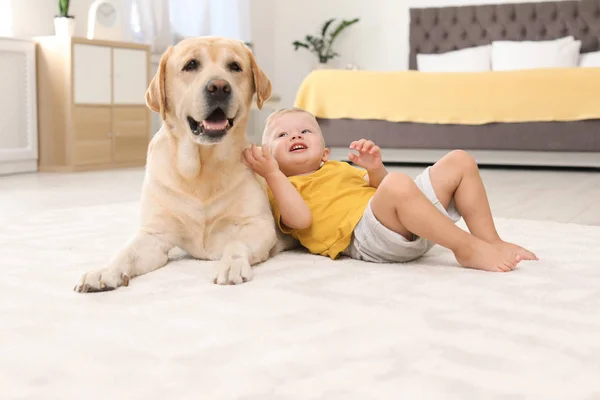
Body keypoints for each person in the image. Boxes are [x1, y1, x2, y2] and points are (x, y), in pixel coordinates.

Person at [243, 107, 537, 272]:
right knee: (397, 183)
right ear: (271, 159)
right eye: (282, 135)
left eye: (305, 131)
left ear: (325, 153)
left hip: (410, 223)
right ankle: (466, 248)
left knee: (459, 161)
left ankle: (491, 240)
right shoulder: (281, 185)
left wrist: (373, 169)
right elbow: (301, 221)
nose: (295, 134)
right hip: (366, 238)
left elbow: (383, 192)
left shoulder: (337, 169)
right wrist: (271, 174)